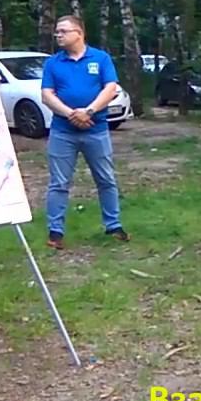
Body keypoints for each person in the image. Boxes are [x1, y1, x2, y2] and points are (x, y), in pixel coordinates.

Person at [40, 15, 130, 250]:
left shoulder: (101, 58)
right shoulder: (53, 63)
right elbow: (47, 95)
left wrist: (89, 111)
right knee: (59, 183)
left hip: (96, 130)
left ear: (79, 33)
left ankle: (113, 225)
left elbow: (110, 88)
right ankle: (55, 232)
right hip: (62, 132)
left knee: (106, 179)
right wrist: (72, 114)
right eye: (57, 32)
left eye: (63, 31)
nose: (58, 35)